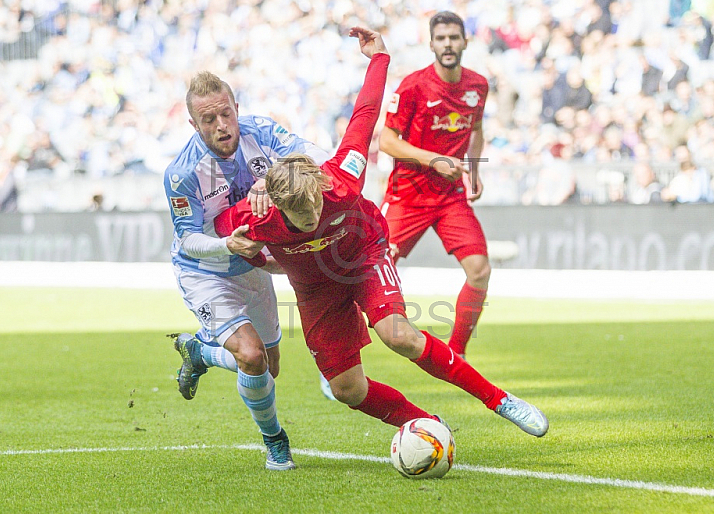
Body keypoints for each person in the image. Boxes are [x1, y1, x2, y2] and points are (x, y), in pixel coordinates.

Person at [213, 26, 548, 438]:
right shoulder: (256, 215)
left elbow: (366, 113)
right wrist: (247, 251)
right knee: (347, 390)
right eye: (301, 219)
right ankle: (425, 425)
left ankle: (500, 400)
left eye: (316, 208)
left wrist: (379, 58)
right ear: (279, 207)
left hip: (365, 255)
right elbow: (219, 234)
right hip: (316, 288)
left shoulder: (341, 177)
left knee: (399, 335)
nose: (312, 218)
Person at [163, 62, 329, 470]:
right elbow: (188, 239)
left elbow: (320, 157)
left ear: (237, 108)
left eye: (227, 114)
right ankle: (275, 440)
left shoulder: (262, 132)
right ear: (193, 123)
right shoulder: (182, 173)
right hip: (206, 272)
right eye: (209, 120)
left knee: (270, 369)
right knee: (251, 357)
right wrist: (225, 244)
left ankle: (200, 353)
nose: (222, 126)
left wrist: (273, 177)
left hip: (252, 269)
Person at [378, 11, 489, 358]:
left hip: (450, 200)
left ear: (465, 42)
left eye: (454, 37)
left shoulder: (477, 86)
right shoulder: (413, 86)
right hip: (407, 197)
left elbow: (476, 131)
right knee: (367, 275)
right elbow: (386, 141)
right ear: (431, 44)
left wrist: (474, 169)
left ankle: (456, 354)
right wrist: (435, 160)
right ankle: (340, 358)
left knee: (480, 270)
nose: (448, 44)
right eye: (441, 38)